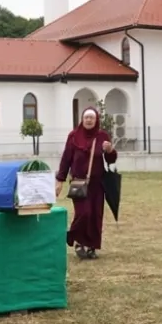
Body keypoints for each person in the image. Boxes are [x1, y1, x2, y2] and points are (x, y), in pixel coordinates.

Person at [55, 106, 117, 260]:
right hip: (79, 182)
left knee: (95, 215)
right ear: (82, 120)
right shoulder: (74, 136)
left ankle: (91, 246)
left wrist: (110, 151)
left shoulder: (102, 136)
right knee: (84, 213)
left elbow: (111, 159)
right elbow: (66, 158)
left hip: (97, 184)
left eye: (92, 118)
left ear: (96, 120)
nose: (89, 120)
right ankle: (76, 239)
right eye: (86, 117)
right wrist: (60, 180)